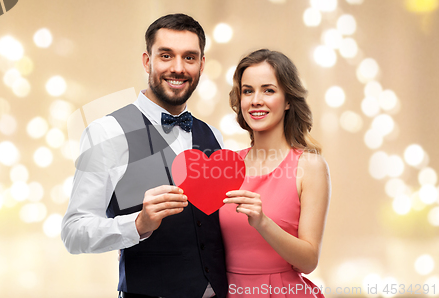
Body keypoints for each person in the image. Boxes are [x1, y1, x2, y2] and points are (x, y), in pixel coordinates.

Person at [61, 14, 228, 298]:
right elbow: (74, 232)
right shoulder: (107, 132)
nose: (178, 68)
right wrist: (137, 225)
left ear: (201, 65)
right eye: (166, 55)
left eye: (189, 58)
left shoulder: (214, 135)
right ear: (147, 61)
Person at [220, 49, 331, 297]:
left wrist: (263, 223)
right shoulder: (226, 164)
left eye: (268, 90)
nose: (256, 100)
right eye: (248, 91)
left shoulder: (310, 166)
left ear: (288, 100)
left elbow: (309, 261)